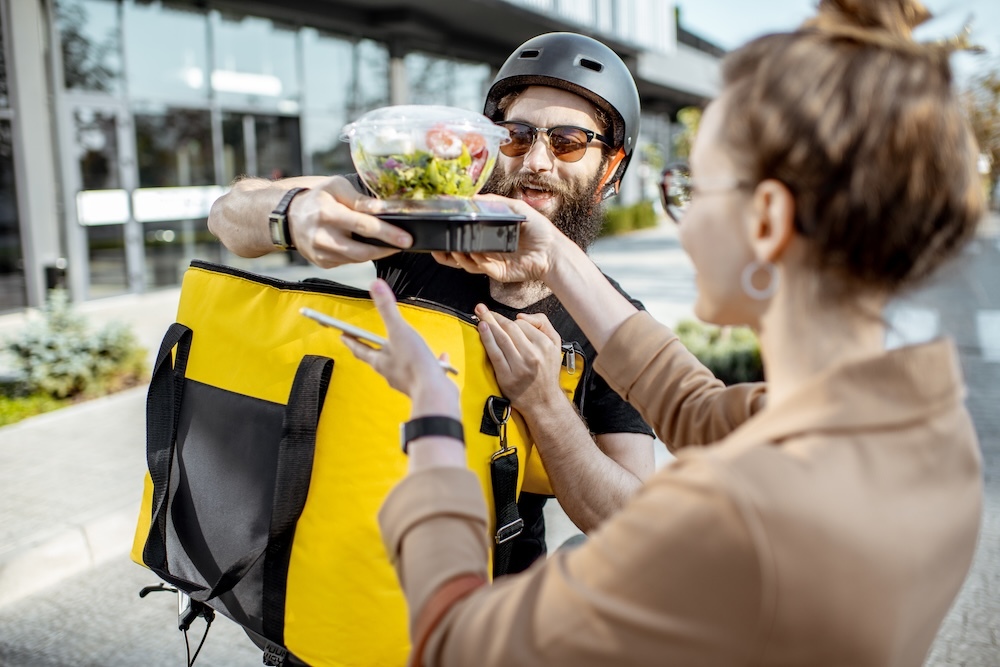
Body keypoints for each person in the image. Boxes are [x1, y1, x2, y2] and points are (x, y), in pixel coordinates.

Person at [347, 0, 986, 664]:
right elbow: (698, 407)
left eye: (689, 188)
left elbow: (455, 642)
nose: (676, 214)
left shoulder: (731, 523)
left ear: (765, 220)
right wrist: (557, 257)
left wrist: (432, 417)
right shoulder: (918, 418)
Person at [207, 32, 656, 571]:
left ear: (609, 169)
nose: (536, 160)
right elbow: (229, 213)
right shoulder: (423, 226)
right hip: (347, 583)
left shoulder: (615, 324)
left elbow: (633, 524)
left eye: (568, 142)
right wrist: (295, 213)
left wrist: (544, 403)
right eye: (515, 135)